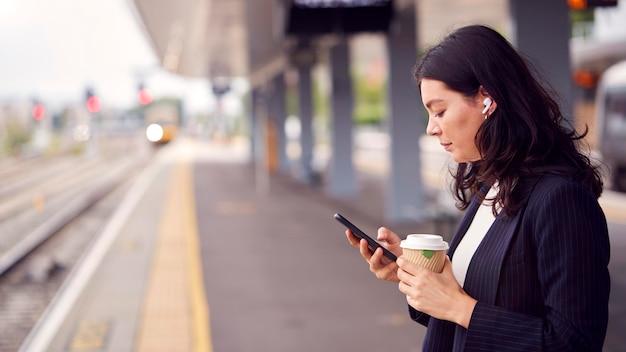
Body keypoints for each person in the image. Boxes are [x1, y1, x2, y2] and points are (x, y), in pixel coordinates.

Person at [345, 25, 610, 351]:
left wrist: (457, 306)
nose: (431, 128)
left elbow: (575, 342)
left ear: (487, 99)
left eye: (439, 111)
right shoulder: (491, 186)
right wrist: (416, 276)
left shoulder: (561, 200)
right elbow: (476, 307)